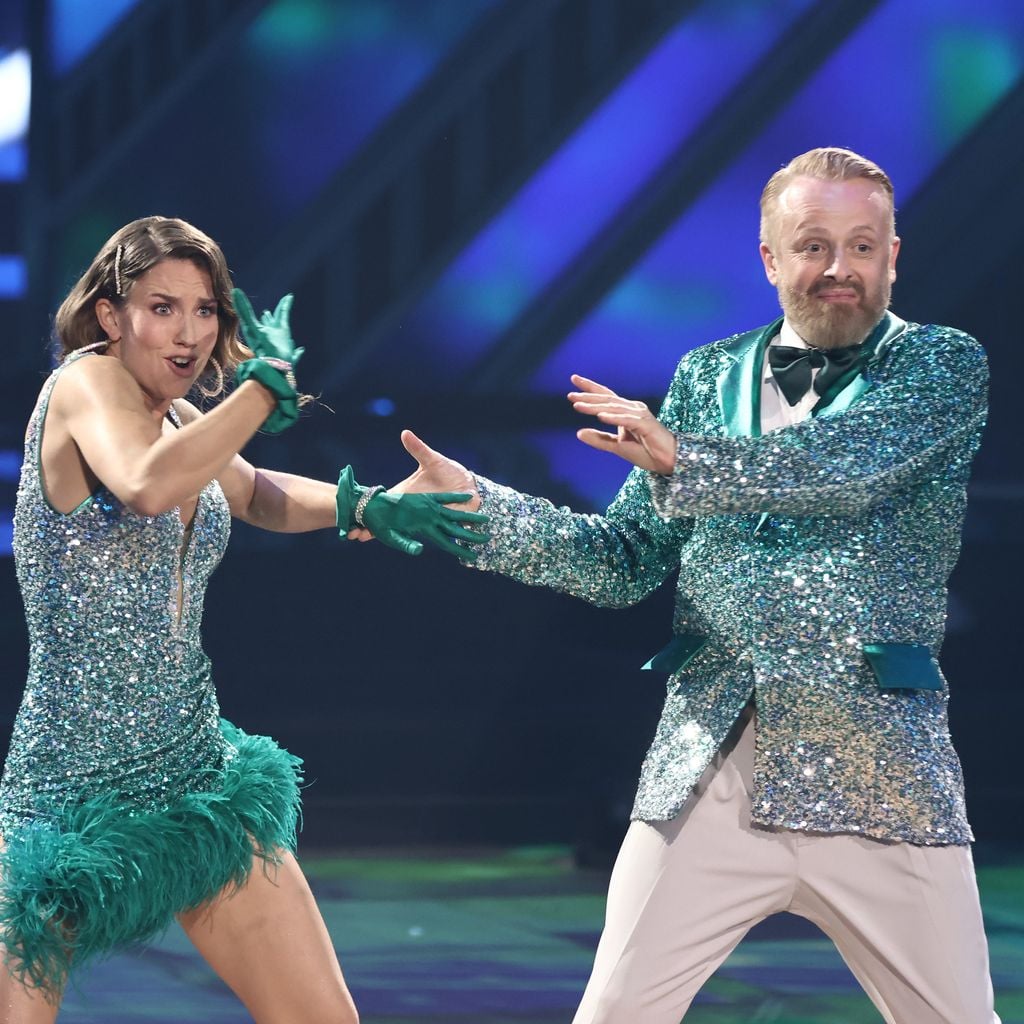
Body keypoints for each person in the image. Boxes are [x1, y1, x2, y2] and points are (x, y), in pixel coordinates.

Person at [365, 148, 1000, 1022]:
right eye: (814, 245)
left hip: (880, 773)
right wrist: (477, 506)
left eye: (863, 245)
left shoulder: (942, 367)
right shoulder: (706, 376)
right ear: (772, 260)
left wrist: (678, 454)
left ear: (895, 254)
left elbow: (844, 469)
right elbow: (621, 558)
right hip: (710, 768)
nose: (840, 268)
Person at [0, 215, 488, 1023]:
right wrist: (260, 391)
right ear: (112, 315)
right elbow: (145, 485)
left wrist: (369, 504)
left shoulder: (184, 421)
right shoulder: (85, 386)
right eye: (163, 307)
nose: (189, 331)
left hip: (193, 775)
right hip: (66, 792)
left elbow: (253, 490)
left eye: (206, 310)